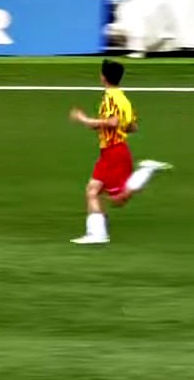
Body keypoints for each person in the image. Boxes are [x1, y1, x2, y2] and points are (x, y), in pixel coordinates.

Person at [68, 59, 172, 244]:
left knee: (118, 198)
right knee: (93, 190)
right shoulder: (123, 99)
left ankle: (146, 171)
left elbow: (113, 122)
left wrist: (84, 119)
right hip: (111, 151)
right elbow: (132, 126)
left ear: (103, 77)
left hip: (114, 151)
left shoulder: (110, 98)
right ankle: (96, 232)